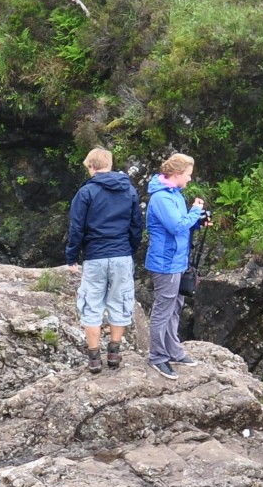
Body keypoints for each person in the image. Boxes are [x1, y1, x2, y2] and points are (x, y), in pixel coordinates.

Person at [64, 147, 143, 373]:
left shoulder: (86, 193)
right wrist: (130, 249)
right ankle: (115, 352)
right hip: (121, 254)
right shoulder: (129, 190)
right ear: (109, 164)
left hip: (95, 257)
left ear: (91, 166)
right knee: (121, 300)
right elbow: (136, 225)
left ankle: (94, 357)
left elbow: (76, 228)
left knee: (92, 304)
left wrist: (72, 256)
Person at [143, 152, 208, 379]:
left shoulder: (176, 195)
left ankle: (174, 350)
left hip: (178, 262)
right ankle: (158, 357)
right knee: (163, 310)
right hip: (165, 264)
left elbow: (185, 226)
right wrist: (195, 212)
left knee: (175, 307)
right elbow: (176, 227)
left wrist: (198, 222)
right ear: (178, 174)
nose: (190, 179)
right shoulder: (161, 198)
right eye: (188, 175)